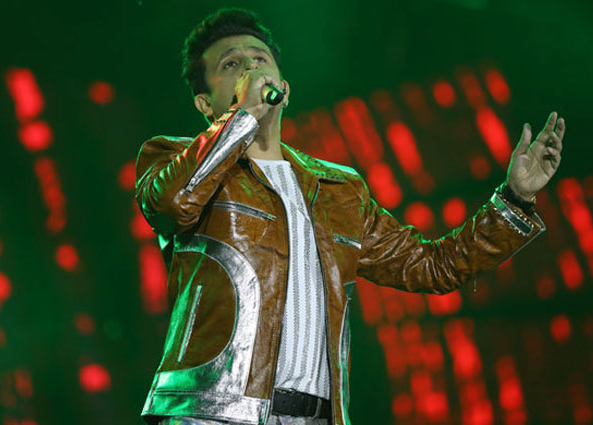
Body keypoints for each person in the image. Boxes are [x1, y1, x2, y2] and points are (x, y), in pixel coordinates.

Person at [134, 8, 565, 425]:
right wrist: (242, 116)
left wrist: (516, 198)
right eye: (231, 64)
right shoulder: (171, 157)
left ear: (284, 87)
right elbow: (172, 203)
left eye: (259, 58)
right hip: (212, 412)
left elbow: (433, 266)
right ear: (205, 103)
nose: (250, 67)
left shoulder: (339, 189)